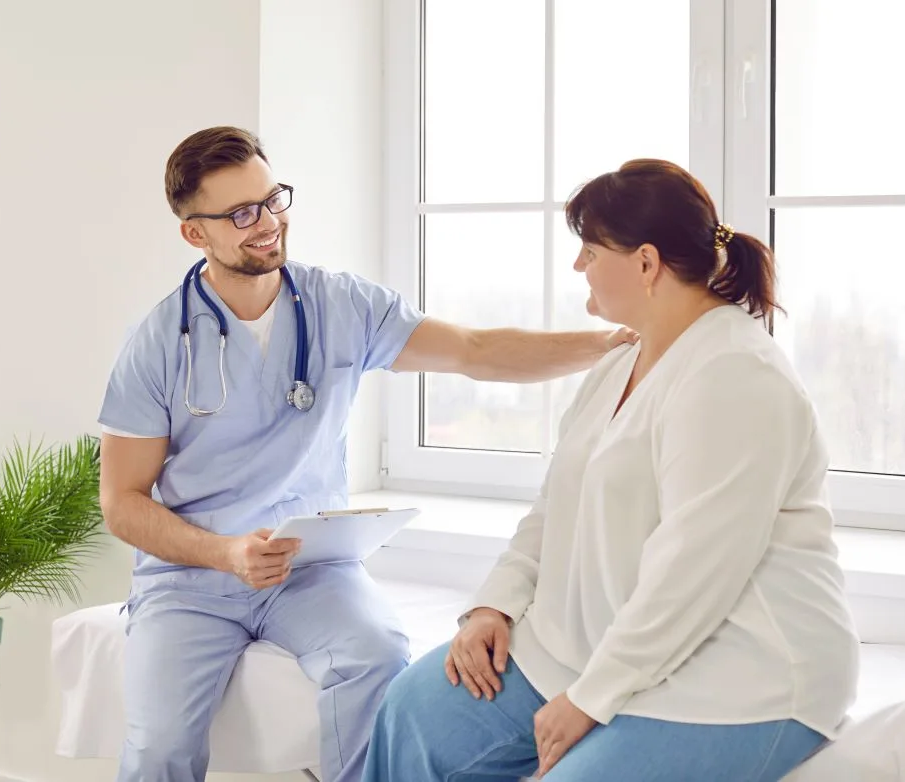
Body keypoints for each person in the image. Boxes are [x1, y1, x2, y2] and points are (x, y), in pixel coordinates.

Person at [97, 126, 636, 782]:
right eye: (241, 214)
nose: (268, 223)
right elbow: (122, 504)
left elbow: (474, 349)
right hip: (191, 580)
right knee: (158, 747)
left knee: (377, 656)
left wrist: (609, 344)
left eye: (273, 200)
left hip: (310, 569)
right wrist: (225, 554)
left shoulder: (340, 305)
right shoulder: (157, 342)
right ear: (195, 233)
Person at [361, 159, 861, 782]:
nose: (579, 266)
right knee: (412, 711)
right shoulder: (618, 363)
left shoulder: (735, 375)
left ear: (646, 263)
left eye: (591, 250)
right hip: (588, 648)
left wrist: (593, 698)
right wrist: (496, 606)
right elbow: (552, 510)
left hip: (737, 678)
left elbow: (695, 570)